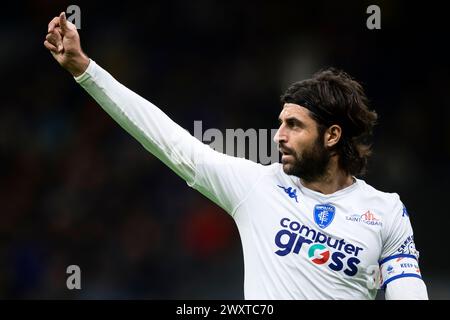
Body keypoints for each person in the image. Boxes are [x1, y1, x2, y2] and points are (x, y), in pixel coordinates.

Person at [44, 12, 428, 299]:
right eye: (280, 123)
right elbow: (168, 140)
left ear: (331, 135)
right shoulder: (257, 187)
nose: (279, 136)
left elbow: (409, 292)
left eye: (295, 125)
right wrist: (85, 70)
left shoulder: (386, 212)